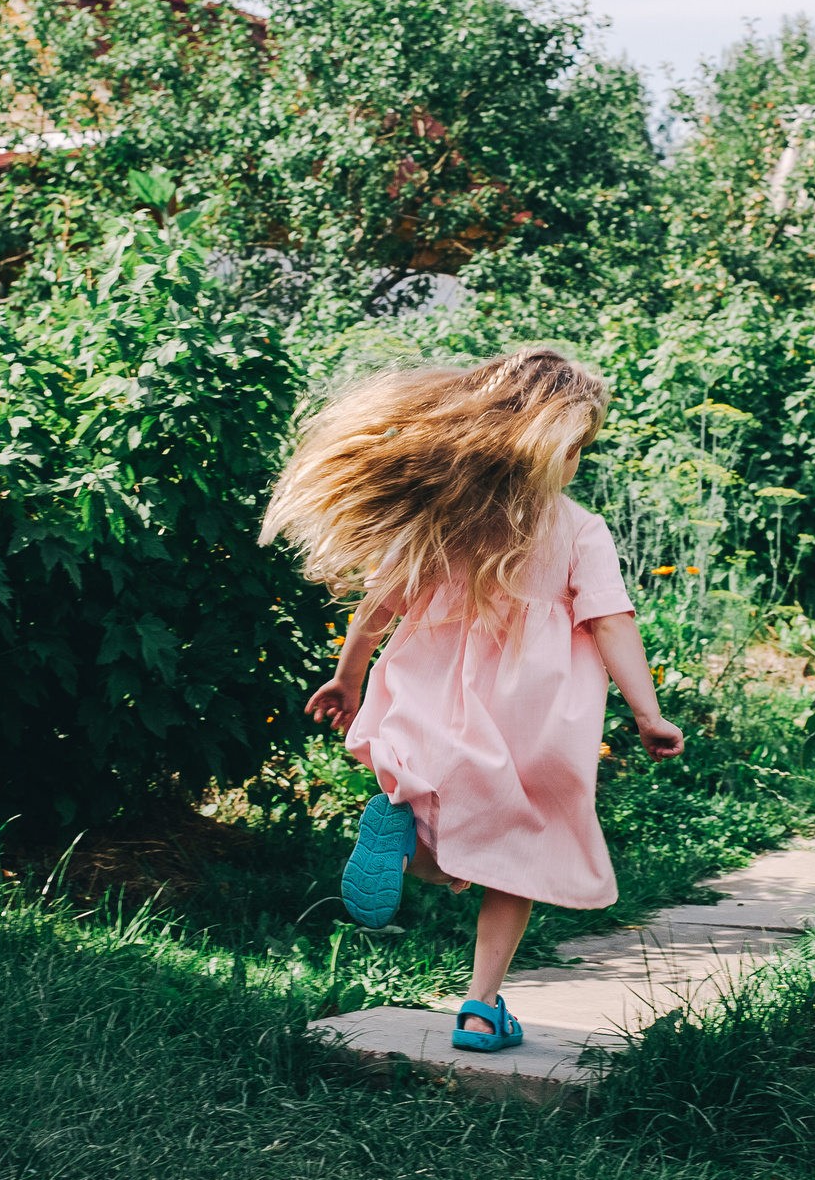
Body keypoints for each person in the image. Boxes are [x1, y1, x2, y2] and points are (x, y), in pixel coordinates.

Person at [260, 349, 683, 1053]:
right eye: (576, 447)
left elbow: (377, 605)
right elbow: (612, 622)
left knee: (438, 817)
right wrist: (648, 713)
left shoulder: (448, 515)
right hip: (535, 717)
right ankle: (481, 1009)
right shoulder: (580, 530)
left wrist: (347, 677)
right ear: (547, 446)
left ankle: (406, 832)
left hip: (436, 696)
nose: (577, 461)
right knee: (518, 854)